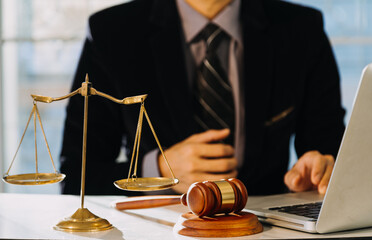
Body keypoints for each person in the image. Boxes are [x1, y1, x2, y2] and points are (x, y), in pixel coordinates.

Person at [59, 0, 345, 196]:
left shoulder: (301, 28)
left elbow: (329, 149)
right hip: (160, 227)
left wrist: (320, 168)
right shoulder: (112, 32)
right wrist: (158, 172)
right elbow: (76, 176)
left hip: (266, 226)